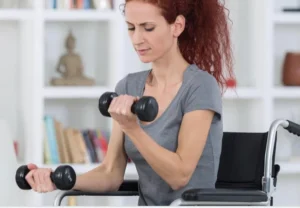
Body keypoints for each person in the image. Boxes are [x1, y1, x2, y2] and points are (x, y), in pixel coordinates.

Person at [24, 0, 234, 206]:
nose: (137, 39)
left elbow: (179, 175)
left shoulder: (200, 87)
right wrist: (57, 179)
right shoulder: (128, 87)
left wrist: (132, 128)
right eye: (131, 28)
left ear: (177, 26)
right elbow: (111, 174)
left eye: (148, 28)